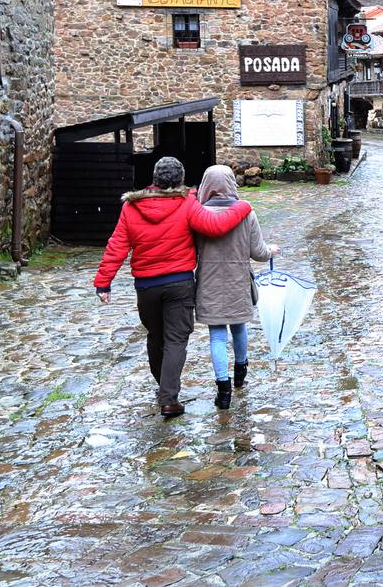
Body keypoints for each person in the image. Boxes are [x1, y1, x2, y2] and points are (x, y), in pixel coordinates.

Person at [94, 157, 253, 418]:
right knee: (176, 339)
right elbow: (215, 227)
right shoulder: (186, 203)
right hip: (179, 282)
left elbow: (117, 244)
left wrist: (104, 281)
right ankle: (168, 398)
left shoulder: (132, 207)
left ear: (154, 177)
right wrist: (243, 206)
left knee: (155, 336)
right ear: (180, 179)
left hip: (146, 285)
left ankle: (164, 387)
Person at [194, 165, 277, 410]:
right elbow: (259, 253)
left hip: (209, 282)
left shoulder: (197, 214)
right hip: (238, 280)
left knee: (217, 336)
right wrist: (271, 250)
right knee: (239, 327)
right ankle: (241, 370)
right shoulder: (246, 213)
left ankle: (223, 389)